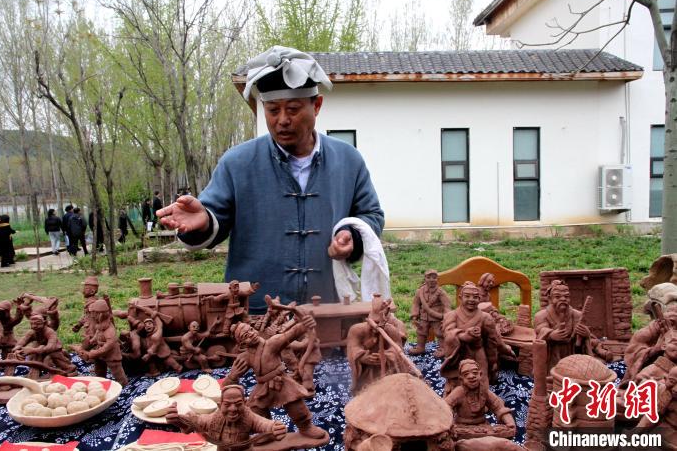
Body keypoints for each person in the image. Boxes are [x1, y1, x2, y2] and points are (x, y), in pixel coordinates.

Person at [157, 46, 384, 311]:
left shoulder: (348, 160)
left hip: (326, 313)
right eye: (273, 110)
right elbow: (211, 218)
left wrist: (351, 236)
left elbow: (371, 215)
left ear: (317, 105)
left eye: (294, 109)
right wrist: (204, 222)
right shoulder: (238, 163)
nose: (283, 120)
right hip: (255, 319)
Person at [440, 282, 514, 392]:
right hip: (458, 353)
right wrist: (463, 336)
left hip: (477, 352)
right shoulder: (452, 315)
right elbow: (448, 333)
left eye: (475, 297)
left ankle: (482, 396)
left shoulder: (485, 317)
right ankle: (453, 385)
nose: (471, 299)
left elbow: (492, 340)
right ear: (460, 297)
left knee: (481, 377)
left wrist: (493, 360)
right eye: (467, 296)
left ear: (479, 299)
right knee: (458, 377)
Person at [166, 385, 287, 451]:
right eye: (227, 404)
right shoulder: (214, 418)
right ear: (220, 405)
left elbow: (263, 423)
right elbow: (197, 422)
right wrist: (179, 421)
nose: (233, 409)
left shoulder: (249, 416)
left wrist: (275, 427)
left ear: (245, 403)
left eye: (238, 404)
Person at [410, 269, 451, 357]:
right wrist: (414, 316)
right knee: (421, 331)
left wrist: (446, 318)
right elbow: (415, 304)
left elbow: (447, 306)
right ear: (425, 279)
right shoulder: (420, 292)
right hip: (424, 317)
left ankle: (443, 348)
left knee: (439, 333)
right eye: (429, 277)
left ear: (437, 279)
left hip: (437, 317)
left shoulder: (441, 292)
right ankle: (420, 347)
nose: (431, 280)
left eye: (434, 277)